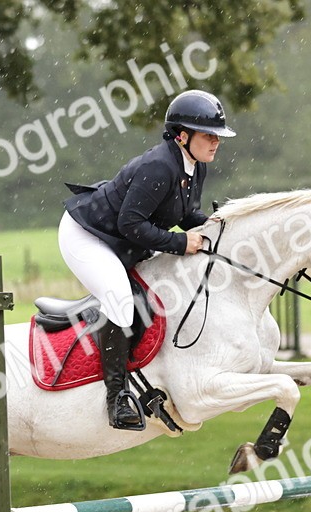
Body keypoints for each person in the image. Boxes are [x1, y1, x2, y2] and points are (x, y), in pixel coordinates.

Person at [59, 89, 234, 430]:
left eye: (218, 137)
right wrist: (181, 243)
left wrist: (221, 225)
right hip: (88, 236)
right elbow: (131, 223)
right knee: (122, 301)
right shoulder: (158, 166)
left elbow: (185, 214)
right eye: (209, 136)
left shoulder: (194, 166)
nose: (216, 143)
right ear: (182, 135)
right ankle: (117, 398)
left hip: (121, 238)